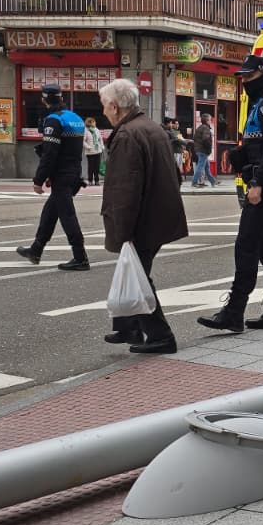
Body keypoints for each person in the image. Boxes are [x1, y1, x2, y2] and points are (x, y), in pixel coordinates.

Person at [198, 58, 263, 332]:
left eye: (248, 76)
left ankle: (234, 311)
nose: (244, 81)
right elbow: (261, 144)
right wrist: (239, 156)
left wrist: (258, 183)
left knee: (246, 245)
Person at [99, 78, 188, 353]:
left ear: (114, 107)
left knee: (138, 276)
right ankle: (129, 327)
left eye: (104, 106)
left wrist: (122, 230)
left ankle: (161, 336)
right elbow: (175, 174)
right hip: (159, 214)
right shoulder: (152, 127)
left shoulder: (127, 135)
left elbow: (125, 188)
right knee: (135, 270)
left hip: (143, 220)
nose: (103, 112)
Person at [16, 85, 89, 271]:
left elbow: (50, 153)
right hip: (74, 173)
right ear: (61, 97)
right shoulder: (76, 118)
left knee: (67, 216)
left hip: (62, 175)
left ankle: (80, 257)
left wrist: (38, 179)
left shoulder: (53, 120)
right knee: (50, 212)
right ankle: (35, 250)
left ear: (44, 99)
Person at [191, 112, 215, 188]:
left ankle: (213, 181)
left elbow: (194, 138)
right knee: (200, 167)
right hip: (203, 151)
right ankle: (194, 182)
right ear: (207, 121)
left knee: (207, 167)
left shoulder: (199, 128)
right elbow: (205, 139)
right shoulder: (206, 128)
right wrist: (208, 149)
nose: (211, 121)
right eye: (210, 119)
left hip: (199, 150)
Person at [83, 116, 105, 187]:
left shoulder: (96, 130)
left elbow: (100, 139)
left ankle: (97, 181)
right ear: (90, 123)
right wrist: (88, 147)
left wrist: (102, 146)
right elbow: (83, 141)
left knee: (97, 167)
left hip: (97, 151)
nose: (95, 123)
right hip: (90, 152)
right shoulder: (86, 130)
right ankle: (90, 181)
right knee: (91, 167)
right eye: (94, 122)